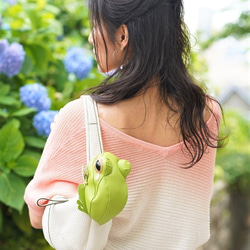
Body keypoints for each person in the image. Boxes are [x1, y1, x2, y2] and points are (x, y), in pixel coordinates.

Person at [24, 0, 224, 249]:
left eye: (94, 26)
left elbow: (38, 215)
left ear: (122, 35)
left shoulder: (83, 117)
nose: (89, 38)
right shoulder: (206, 113)